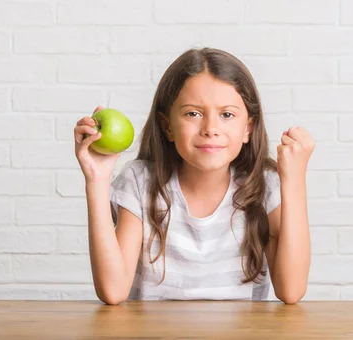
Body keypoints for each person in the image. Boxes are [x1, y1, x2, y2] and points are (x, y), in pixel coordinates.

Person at [73, 47, 314, 305]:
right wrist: (97, 180)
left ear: (248, 128)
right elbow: (112, 290)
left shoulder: (265, 187)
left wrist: (295, 179)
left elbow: (291, 290)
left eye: (227, 115)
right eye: (193, 113)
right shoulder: (140, 182)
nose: (210, 128)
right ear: (167, 127)